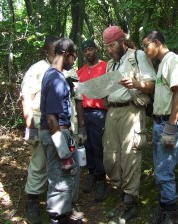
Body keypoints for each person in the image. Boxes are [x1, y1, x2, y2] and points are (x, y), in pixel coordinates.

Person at [101, 26, 156, 223]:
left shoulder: (138, 56)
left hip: (131, 110)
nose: (109, 50)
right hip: (112, 111)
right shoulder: (110, 64)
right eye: (106, 46)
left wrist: (135, 83)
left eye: (112, 45)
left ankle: (129, 202)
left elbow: (152, 85)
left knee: (130, 156)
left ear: (122, 41)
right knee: (110, 158)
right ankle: (122, 193)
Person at [141, 30, 178, 224]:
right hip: (160, 122)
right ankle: (163, 207)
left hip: (169, 123)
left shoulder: (173, 61)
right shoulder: (161, 65)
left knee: (164, 171)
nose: (144, 50)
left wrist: (171, 125)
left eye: (146, 45)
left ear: (157, 42)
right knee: (161, 169)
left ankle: (173, 214)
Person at [39, 38, 83, 224]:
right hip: (57, 133)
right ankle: (57, 217)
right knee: (59, 177)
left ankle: (66, 212)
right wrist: (64, 152)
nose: (73, 62)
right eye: (73, 58)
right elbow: (51, 119)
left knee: (70, 173)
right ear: (65, 54)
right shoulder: (56, 78)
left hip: (65, 133)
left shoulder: (56, 76)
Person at [20, 36, 59, 224]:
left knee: (62, 162)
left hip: (63, 125)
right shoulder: (36, 70)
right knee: (39, 162)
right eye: (54, 51)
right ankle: (33, 201)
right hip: (41, 123)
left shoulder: (66, 68)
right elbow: (26, 98)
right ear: (46, 52)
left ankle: (61, 203)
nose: (58, 55)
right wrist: (30, 128)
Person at [77, 40, 108, 202]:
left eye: (90, 49)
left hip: (101, 112)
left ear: (96, 50)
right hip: (84, 112)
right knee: (86, 144)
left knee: (99, 146)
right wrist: (80, 121)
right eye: (85, 51)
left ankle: (102, 178)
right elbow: (78, 98)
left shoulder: (106, 67)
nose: (88, 53)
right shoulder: (80, 72)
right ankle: (92, 174)